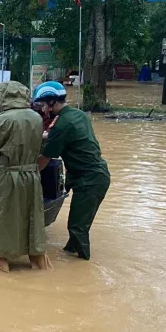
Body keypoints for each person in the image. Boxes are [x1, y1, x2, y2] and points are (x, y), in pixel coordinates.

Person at [0, 81, 52, 273]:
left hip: (6, 177)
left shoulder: (2, 120)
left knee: (1, 220)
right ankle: (41, 267)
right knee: (31, 218)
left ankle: (3, 273)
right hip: (31, 176)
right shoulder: (36, 118)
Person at [35, 81, 110, 260]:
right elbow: (54, 135)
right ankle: (70, 254)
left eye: (44, 105)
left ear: (53, 102)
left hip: (89, 179)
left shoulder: (62, 125)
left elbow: (43, 161)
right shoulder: (78, 114)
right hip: (94, 174)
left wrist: (24, 175)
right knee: (79, 223)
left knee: (77, 227)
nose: (43, 110)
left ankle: (84, 268)